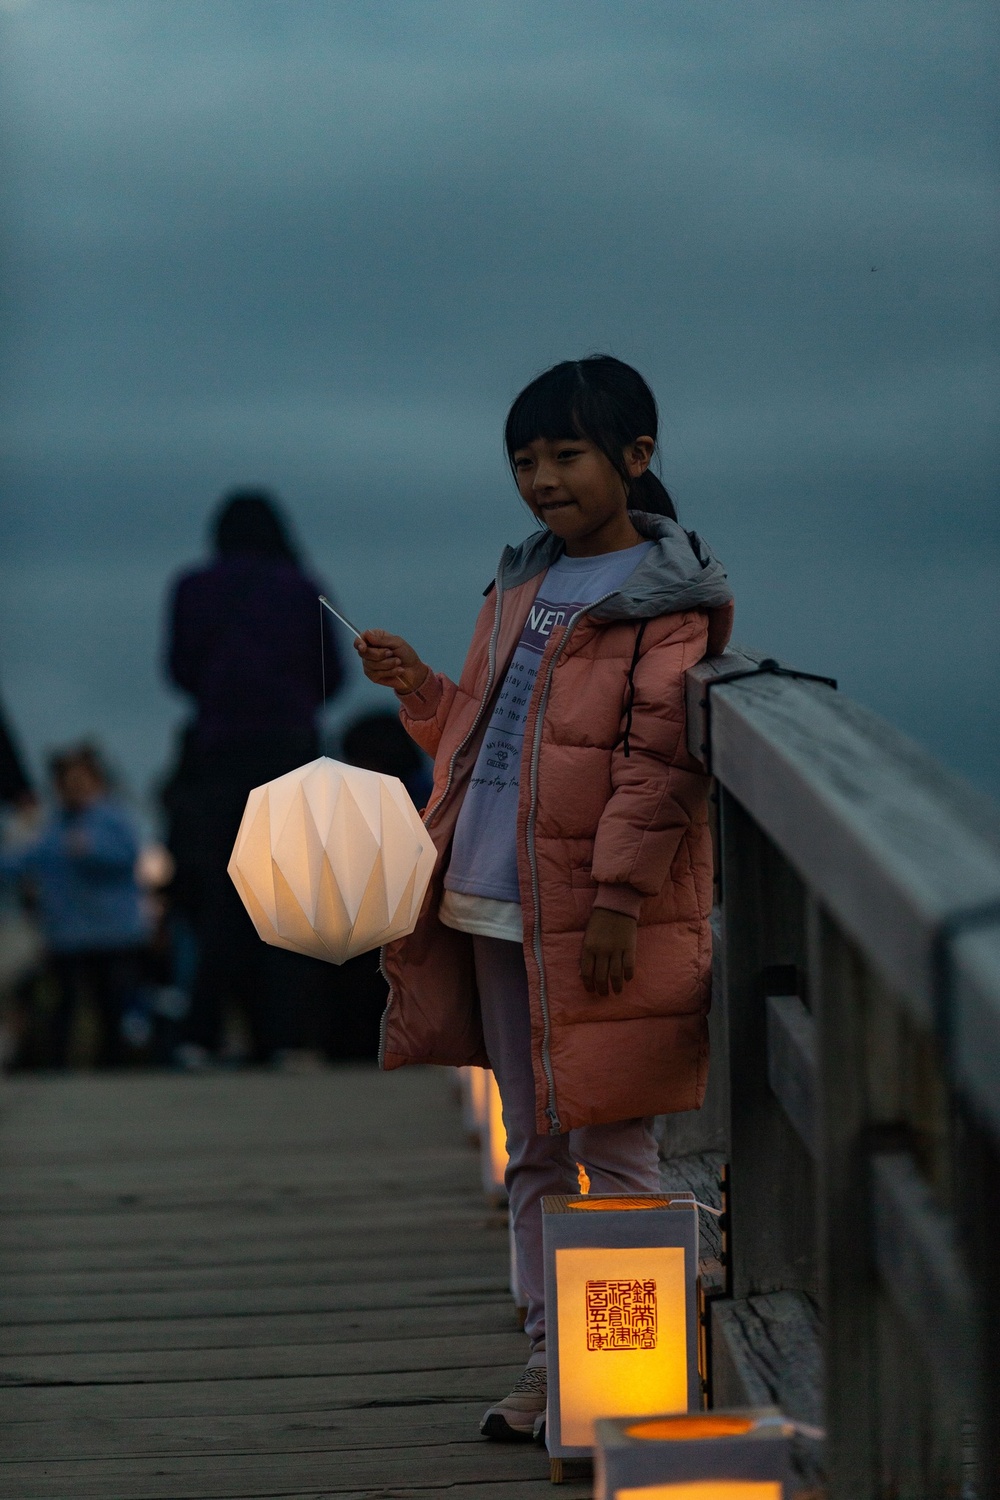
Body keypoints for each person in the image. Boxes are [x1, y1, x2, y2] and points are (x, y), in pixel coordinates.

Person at [355, 356, 734, 1440]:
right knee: (531, 1144)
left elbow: (658, 761)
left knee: (613, 1146)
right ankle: (549, 1365)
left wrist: (618, 899)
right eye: (524, 460)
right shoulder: (519, 582)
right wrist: (422, 689)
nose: (541, 480)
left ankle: (624, 1381)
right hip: (485, 897)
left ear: (636, 457)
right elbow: (485, 736)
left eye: (566, 454)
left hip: (593, 918)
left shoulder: (669, 601)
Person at [163, 489, 346, 1064]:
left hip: (218, 756)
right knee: (285, 897)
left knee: (223, 896)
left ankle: (205, 1031)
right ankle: (284, 1033)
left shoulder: (191, 588)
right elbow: (333, 672)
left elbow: (178, 668)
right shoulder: (300, 588)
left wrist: (222, 700)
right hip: (288, 751)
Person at [0, 744, 148, 1067]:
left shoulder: (113, 819)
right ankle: (58, 1064)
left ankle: (116, 1064)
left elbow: (129, 856)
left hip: (113, 934)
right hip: (67, 935)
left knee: (111, 1003)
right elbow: (26, 861)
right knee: (62, 1004)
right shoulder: (53, 826)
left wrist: (91, 848)